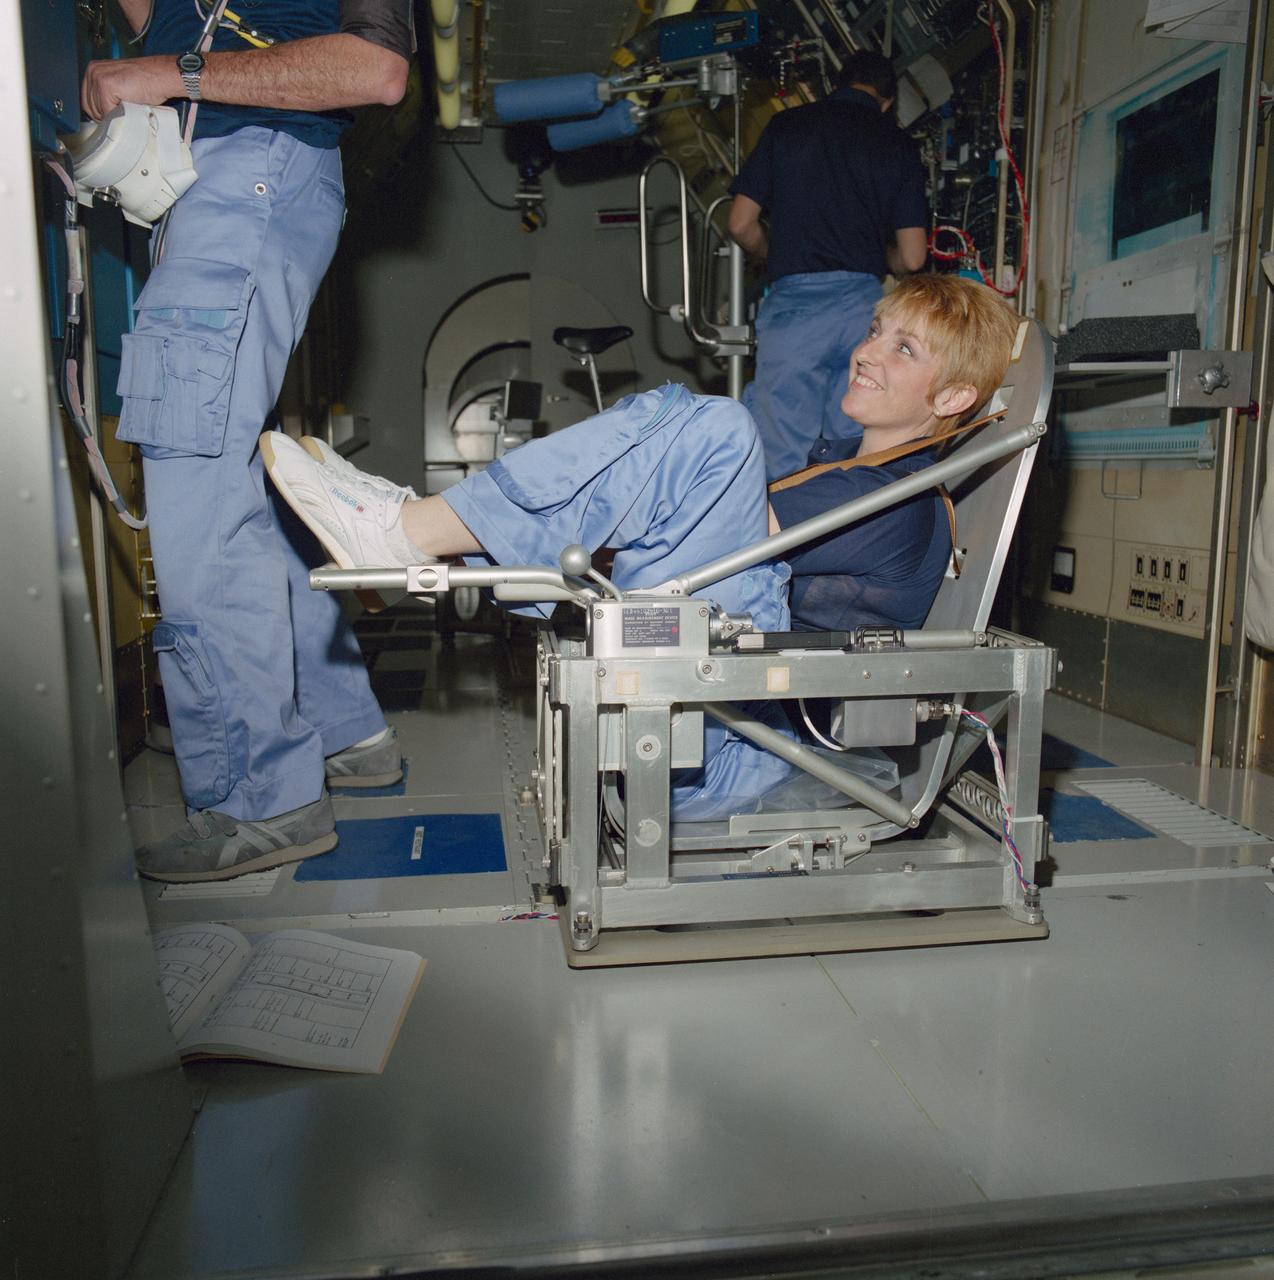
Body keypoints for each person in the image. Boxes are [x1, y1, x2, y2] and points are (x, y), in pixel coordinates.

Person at [262, 276, 1019, 829]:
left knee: (716, 432)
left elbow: (696, 521)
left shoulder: (900, 505)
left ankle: (413, 535)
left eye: (904, 346)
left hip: (732, 742)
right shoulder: (840, 469)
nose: (866, 352)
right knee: (689, 430)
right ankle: (421, 543)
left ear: (951, 399)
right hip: (705, 703)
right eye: (877, 329)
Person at [81, 0, 412, 882]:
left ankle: (259, 799)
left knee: (192, 471)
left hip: (249, 166)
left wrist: (167, 74)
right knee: (229, 475)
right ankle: (347, 733)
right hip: (226, 175)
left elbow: (376, 68)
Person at [727, 50, 929, 482]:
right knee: (851, 454)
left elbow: (740, 224)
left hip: (794, 309)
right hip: (864, 313)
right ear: (888, 101)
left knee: (778, 456)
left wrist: (771, 251)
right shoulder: (898, 145)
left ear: (835, 85)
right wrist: (881, 257)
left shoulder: (787, 126)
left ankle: (770, 547)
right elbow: (912, 257)